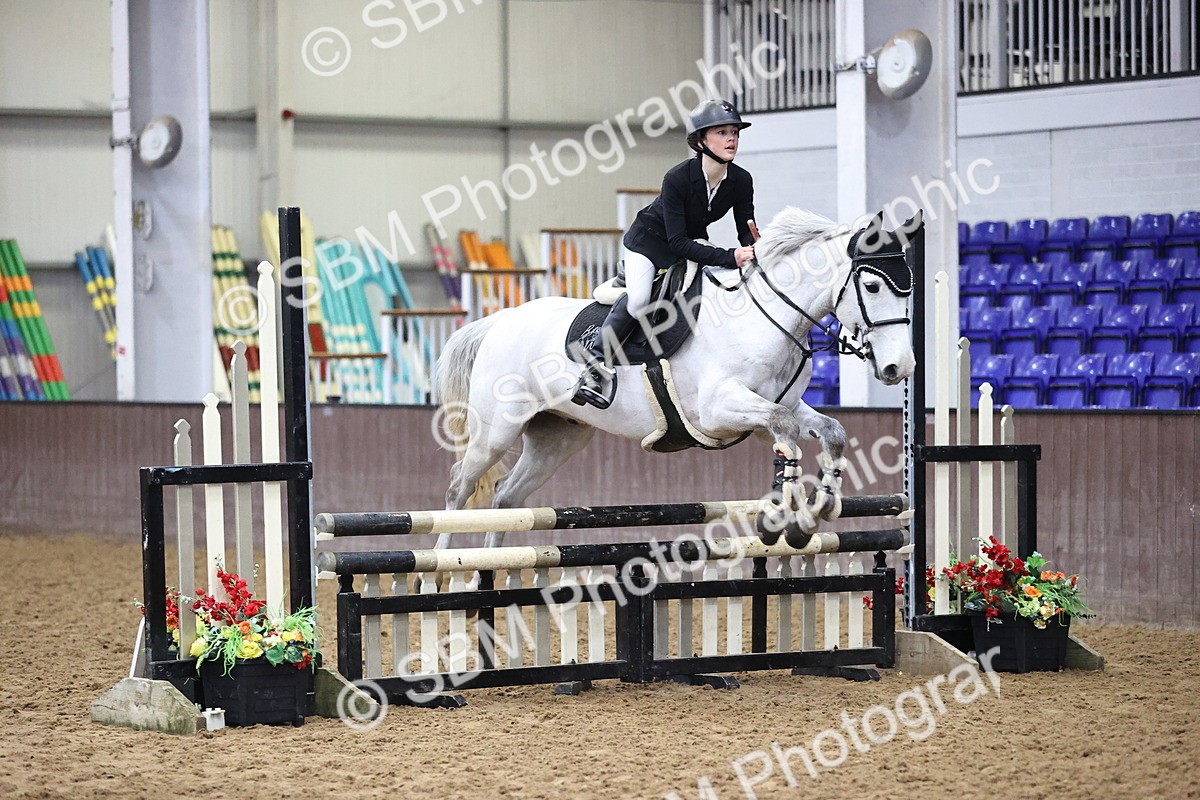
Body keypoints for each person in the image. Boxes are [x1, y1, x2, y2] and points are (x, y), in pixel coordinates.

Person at [579, 99, 758, 397]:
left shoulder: (741, 180)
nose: (731, 139)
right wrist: (730, 257)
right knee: (638, 300)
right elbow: (677, 242)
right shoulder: (677, 178)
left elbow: (745, 229)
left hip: (691, 242)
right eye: (722, 132)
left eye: (735, 133)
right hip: (649, 243)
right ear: (701, 141)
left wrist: (755, 249)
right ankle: (594, 366)